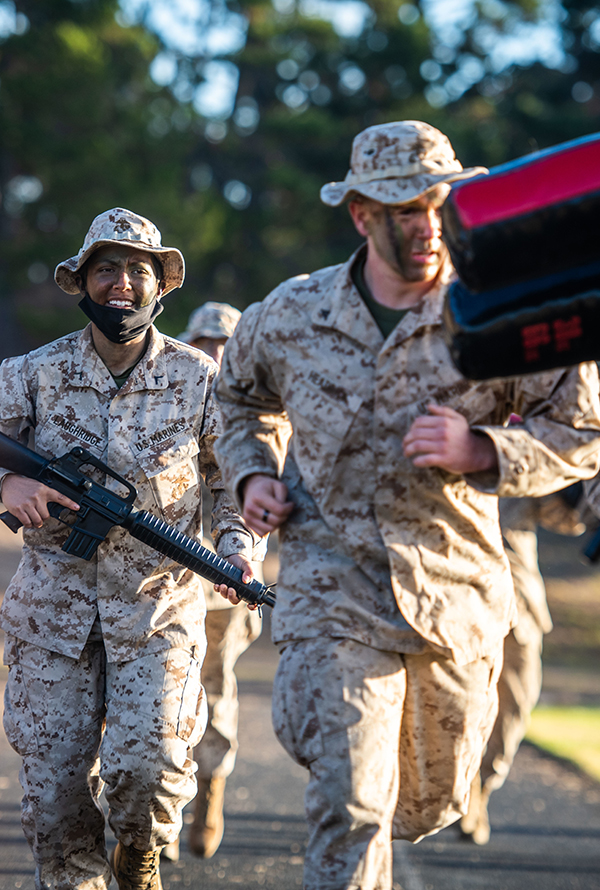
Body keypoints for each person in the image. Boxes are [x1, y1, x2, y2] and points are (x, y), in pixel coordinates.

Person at [212, 121, 600, 890]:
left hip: (453, 596)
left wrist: (484, 450)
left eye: (435, 205)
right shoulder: (290, 314)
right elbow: (236, 399)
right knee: (352, 801)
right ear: (361, 215)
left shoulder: (499, 311)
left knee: (426, 803)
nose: (425, 226)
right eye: (402, 211)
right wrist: (254, 475)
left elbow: (583, 429)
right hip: (333, 589)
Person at [0, 209, 261, 890]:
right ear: (81, 280)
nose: (122, 282)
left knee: (148, 772)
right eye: (106, 268)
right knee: (55, 800)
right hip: (51, 615)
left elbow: (229, 483)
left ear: (160, 287)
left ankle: (140, 848)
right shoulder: (31, 373)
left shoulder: (202, 379)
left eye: (137, 270)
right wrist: (11, 481)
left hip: (158, 609)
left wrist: (237, 551)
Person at [160, 302, 262, 862]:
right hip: (166, 578)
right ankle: (165, 815)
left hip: (228, 579)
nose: (216, 353)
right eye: (206, 341)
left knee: (214, 687)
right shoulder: (171, 393)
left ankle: (211, 790)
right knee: (159, 698)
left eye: (226, 344)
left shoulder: (262, 404)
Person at [461, 491, 585, 845]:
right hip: (460, 607)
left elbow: (568, 519)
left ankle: (481, 786)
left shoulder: (516, 450)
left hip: (519, 606)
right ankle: (458, 791)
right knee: (459, 707)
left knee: (515, 707)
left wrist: (573, 483)